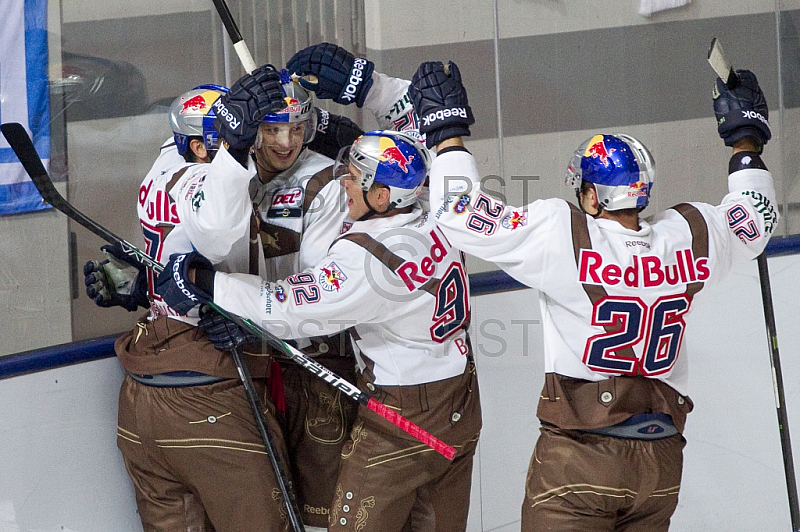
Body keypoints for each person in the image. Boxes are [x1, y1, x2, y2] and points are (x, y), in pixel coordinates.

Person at [407, 60, 778, 531]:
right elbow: (758, 217)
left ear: (590, 195)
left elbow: (457, 212)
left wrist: (448, 134)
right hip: (660, 462)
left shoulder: (563, 232)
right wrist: (746, 140)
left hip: (580, 458)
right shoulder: (690, 232)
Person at [154, 128, 483, 532]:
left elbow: (287, 307)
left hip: (403, 416)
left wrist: (206, 283)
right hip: (462, 400)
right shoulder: (444, 211)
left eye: (355, 177)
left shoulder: (367, 258)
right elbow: (459, 172)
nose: (343, 181)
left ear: (383, 197)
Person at [87, 68, 297, 532]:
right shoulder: (195, 183)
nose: (255, 143)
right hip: (208, 395)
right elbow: (218, 235)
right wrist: (234, 147)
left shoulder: (164, 160)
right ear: (201, 148)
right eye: (231, 136)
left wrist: (140, 282)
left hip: (143, 397)